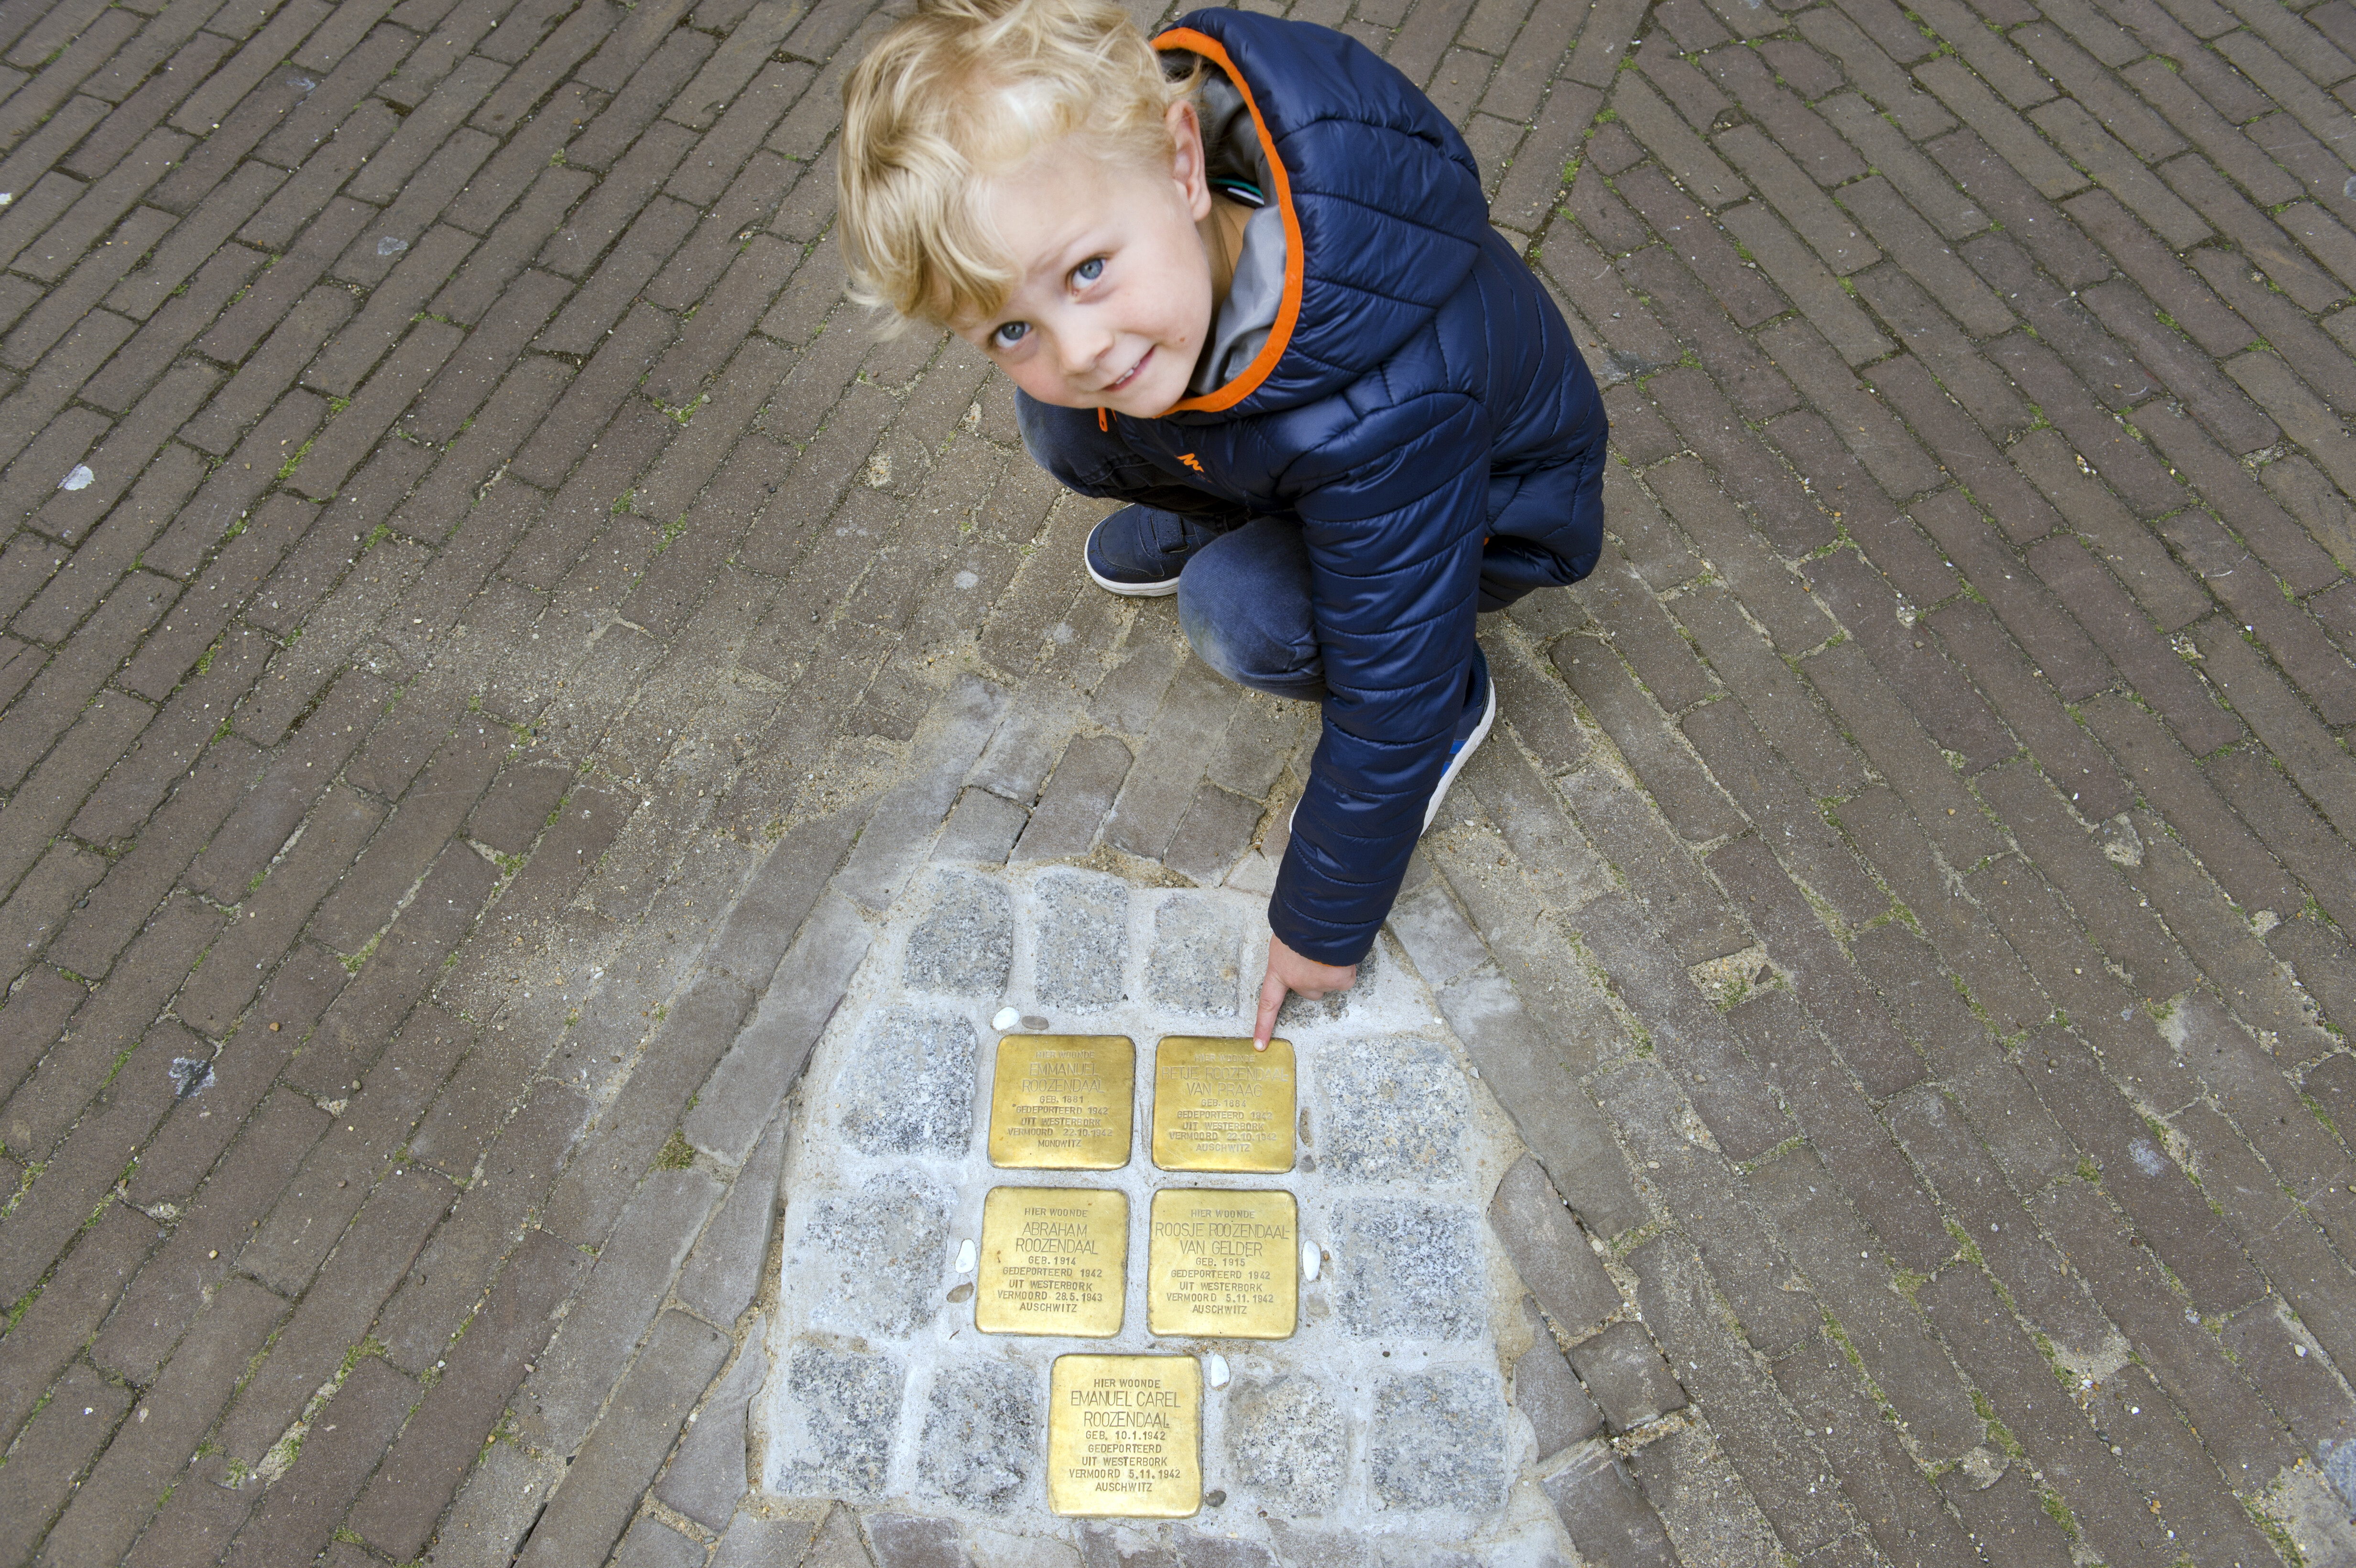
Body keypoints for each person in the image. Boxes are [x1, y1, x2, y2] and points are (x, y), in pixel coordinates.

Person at [838, 0, 1608, 1045]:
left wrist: (1324, 919)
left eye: (1087, 272)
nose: (1078, 347)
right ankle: (1239, 509)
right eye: (1012, 327)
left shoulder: (1393, 401)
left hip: (1480, 519)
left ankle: (1458, 699)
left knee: (1237, 611)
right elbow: (1114, 355)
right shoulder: (1154, 266)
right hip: (1295, 448)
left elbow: (1391, 675)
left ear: (1182, 163)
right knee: (1061, 421)